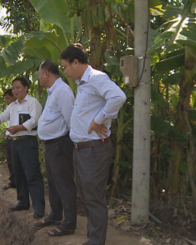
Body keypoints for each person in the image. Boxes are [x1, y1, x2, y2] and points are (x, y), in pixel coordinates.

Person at [60, 44, 126, 245]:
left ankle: (96, 242)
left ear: (76, 62)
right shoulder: (83, 83)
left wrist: (99, 120)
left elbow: (118, 96)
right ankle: (92, 239)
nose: (64, 71)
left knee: (94, 198)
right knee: (87, 196)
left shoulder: (97, 78)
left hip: (94, 150)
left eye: (65, 66)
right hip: (82, 150)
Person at [0, 77, 45, 219]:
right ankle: (23, 201)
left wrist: (19, 128)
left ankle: (38, 207)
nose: (15, 91)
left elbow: (34, 120)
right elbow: (3, 115)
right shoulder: (12, 106)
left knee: (32, 173)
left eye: (18, 87)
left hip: (27, 142)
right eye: (13, 88)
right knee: (18, 172)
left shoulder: (33, 103)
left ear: (26, 88)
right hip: (14, 143)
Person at [35, 60, 77, 237]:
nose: (39, 78)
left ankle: (69, 223)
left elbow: (70, 120)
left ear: (46, 73)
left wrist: (68, 143)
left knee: (64, 183)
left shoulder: (62, 91)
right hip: (51, 144)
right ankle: (56, 214)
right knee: (53, 182)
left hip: (60, 143)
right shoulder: (52, 92)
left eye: (39, 74)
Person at [2, 89, 17, 190]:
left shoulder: (18, 108)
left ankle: (18, 182)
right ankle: (13, 181)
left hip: (15, 138)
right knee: (10, 161)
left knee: (15, 162)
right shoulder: (9, 108)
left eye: (8, 98)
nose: (7, 101)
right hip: (9, 138)